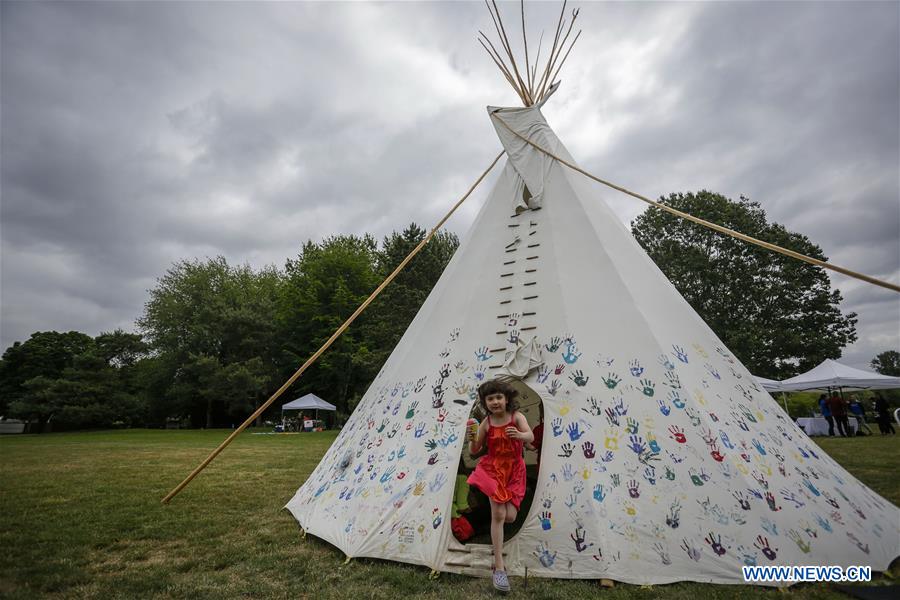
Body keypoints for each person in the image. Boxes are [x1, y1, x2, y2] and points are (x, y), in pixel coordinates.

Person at [467, 380, 533, 594]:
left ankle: (498, 556)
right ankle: (499, 567)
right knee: (498, 515)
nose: (495, 402)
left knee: (510, 516)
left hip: (514, 471)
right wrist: (471, 439)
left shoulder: (517, 417)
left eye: (498, 397)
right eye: (490, 399)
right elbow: (475, 450)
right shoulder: (486, 422)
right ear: (486, 402)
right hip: (493, 469)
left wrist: (521, 436)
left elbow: (530, 436)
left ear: (506, 399)